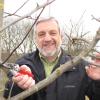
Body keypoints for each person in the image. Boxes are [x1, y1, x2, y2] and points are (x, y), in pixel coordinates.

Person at [3, 17, 100, 100]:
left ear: (61, 37)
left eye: (53, 33)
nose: (47, 39)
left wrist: (98, 80)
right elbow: (8, 95)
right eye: (41, 34)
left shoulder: (79, 65)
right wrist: (18, 86)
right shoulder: (23, 64)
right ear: (35, 39)